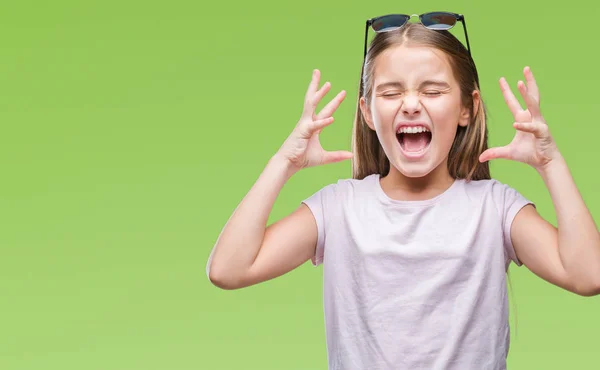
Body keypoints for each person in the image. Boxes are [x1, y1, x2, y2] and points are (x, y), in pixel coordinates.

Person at [206, 12, 600, 370]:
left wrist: (551, 164)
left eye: (432, 91)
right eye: (391, 92)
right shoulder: (339, 208)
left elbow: (589, 275)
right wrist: (283, 163)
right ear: (367, 112)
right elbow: (228, 269)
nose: (411, 104)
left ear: (468, 108)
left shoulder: (494, 207)